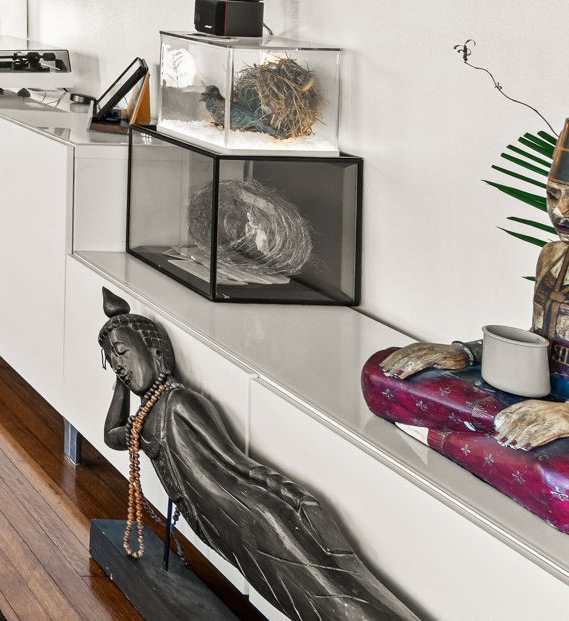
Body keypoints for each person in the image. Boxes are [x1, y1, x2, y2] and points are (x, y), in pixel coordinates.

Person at [100, 292, 424, 621]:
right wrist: (119, 384)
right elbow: (112, 436)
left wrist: (287, 493)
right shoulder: (146, 416)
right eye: (115, 364)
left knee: (323, 586)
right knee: (290, 598)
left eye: (124, 354)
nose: (122, 367)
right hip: (215, 522)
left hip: (249, 513)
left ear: (156, 353)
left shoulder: (180, 403)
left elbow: (233, 462)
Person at [378, 124, 569, 450]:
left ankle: (465, 442)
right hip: (531, 397)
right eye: (553, 194)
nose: (559, 211)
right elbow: (539, 347)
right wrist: (463, 354)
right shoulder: (552, 256)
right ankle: (486, 444)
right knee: (383, 375)